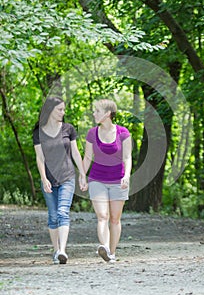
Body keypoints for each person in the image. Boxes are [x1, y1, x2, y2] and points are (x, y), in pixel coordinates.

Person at [33, 96, 87, 264]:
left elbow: (76, 153)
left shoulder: (68, 129)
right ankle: (56, 251)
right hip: (48, 178)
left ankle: (62, 250)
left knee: (63, 212)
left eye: (64, 109)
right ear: (49, 110)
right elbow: (39, 158)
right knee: (53, 216)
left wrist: (83, 173)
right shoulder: (39, 132)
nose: (63, 113)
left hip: (67, 176)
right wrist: (43, 178)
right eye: (59, 110)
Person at [83, 99, 132, 263]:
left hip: (118, 179)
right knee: (102, 215)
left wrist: (127, 175)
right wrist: (82, 175)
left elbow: (127, 157)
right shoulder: (91, 133)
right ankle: (103, 246)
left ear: (107, 114)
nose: (94, 113)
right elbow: (88, 157)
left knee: (115, 218)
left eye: (97, 111)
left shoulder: (123, 133)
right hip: (97, 179)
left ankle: (111, 252)